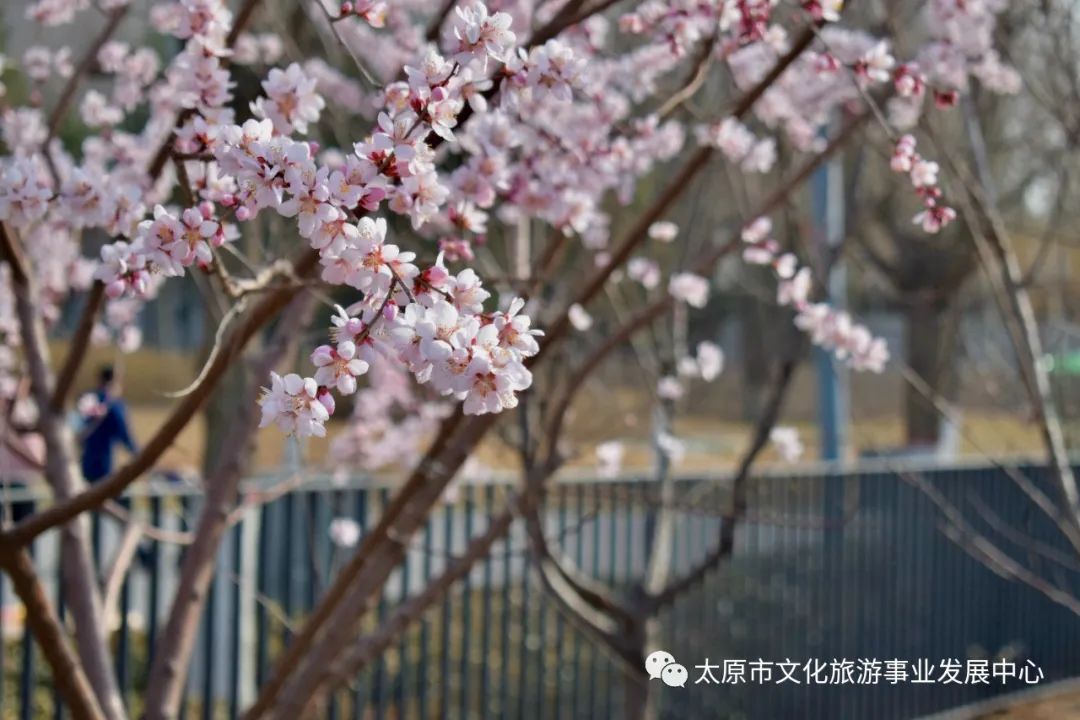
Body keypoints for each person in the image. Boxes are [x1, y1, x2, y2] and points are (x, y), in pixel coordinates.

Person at [79, 366, 138, 484]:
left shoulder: (89, 399)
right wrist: (136, 453)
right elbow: (123, 431)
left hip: (86, 459)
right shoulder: (114, 404)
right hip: (105, 461)